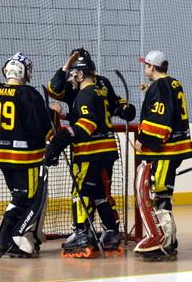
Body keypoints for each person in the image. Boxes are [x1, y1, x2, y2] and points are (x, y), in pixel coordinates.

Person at [45, 47, 135, 234]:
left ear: (80, 72)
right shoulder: (85, 86)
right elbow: (54, 89)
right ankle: (110, 231)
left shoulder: (89, 88)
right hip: (103, 146)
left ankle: (82, 231)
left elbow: (93, 117)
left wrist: (62, 138)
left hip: (87, 146)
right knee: (99, 192)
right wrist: (66, 67)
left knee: (83, 191)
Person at [0, 53, 52, 258]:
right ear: (24, 71)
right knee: (29, 198)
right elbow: (41, 127)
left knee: (19, 196)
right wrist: (52, 115)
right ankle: (12, 238)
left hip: (2, 156)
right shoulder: (28, 94)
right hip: (25, 158)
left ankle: (6, 238)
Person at [132, 50, 192, 261]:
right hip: (176, 148)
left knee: (161, 194)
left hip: (166, 151)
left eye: (146, 66)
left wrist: (143, 140)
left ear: (152, 67)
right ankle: (168, 239)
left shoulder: (160, 86)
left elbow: (161, 120)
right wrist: (150, 91)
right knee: (161, 192)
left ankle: (164, 242)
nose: (144, 69)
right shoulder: (173, 83)